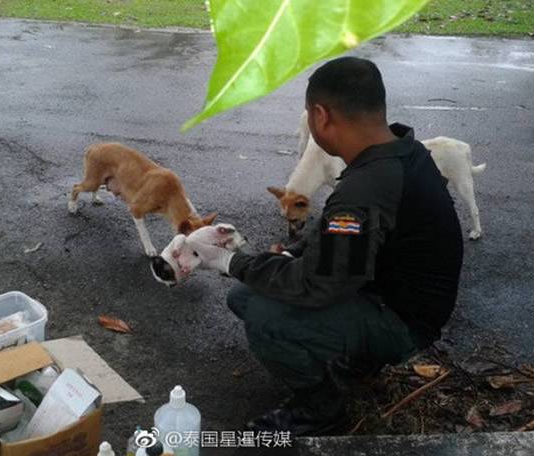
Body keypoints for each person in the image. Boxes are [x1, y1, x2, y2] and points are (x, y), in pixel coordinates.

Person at [189, 57, 464, 436]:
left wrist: (228, 260)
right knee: (253, 292)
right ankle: (359, 359)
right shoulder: (402, 153)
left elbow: (316, 285)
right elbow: (340, 235)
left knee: (262, 312)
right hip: (396, 295)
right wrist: (291, 252)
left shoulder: (365, 187)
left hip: (404, 322)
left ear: (321, 116)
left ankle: (320, 408)